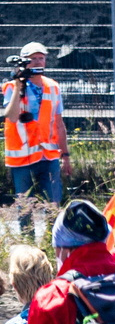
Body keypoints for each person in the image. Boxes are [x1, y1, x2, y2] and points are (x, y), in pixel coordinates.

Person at [2, 43, 67, 208]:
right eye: (32, 59)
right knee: (24, 206)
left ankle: (51, 234)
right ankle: (25, 235)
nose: (38, 62)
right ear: (23, 62)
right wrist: (18, 87)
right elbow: (11, 116)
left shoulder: (53, 87)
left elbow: (59, 124)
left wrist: (65, 156)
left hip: (48, 154)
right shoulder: (12, 86)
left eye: (41, 58)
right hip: (22, 156)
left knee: (53, 203)